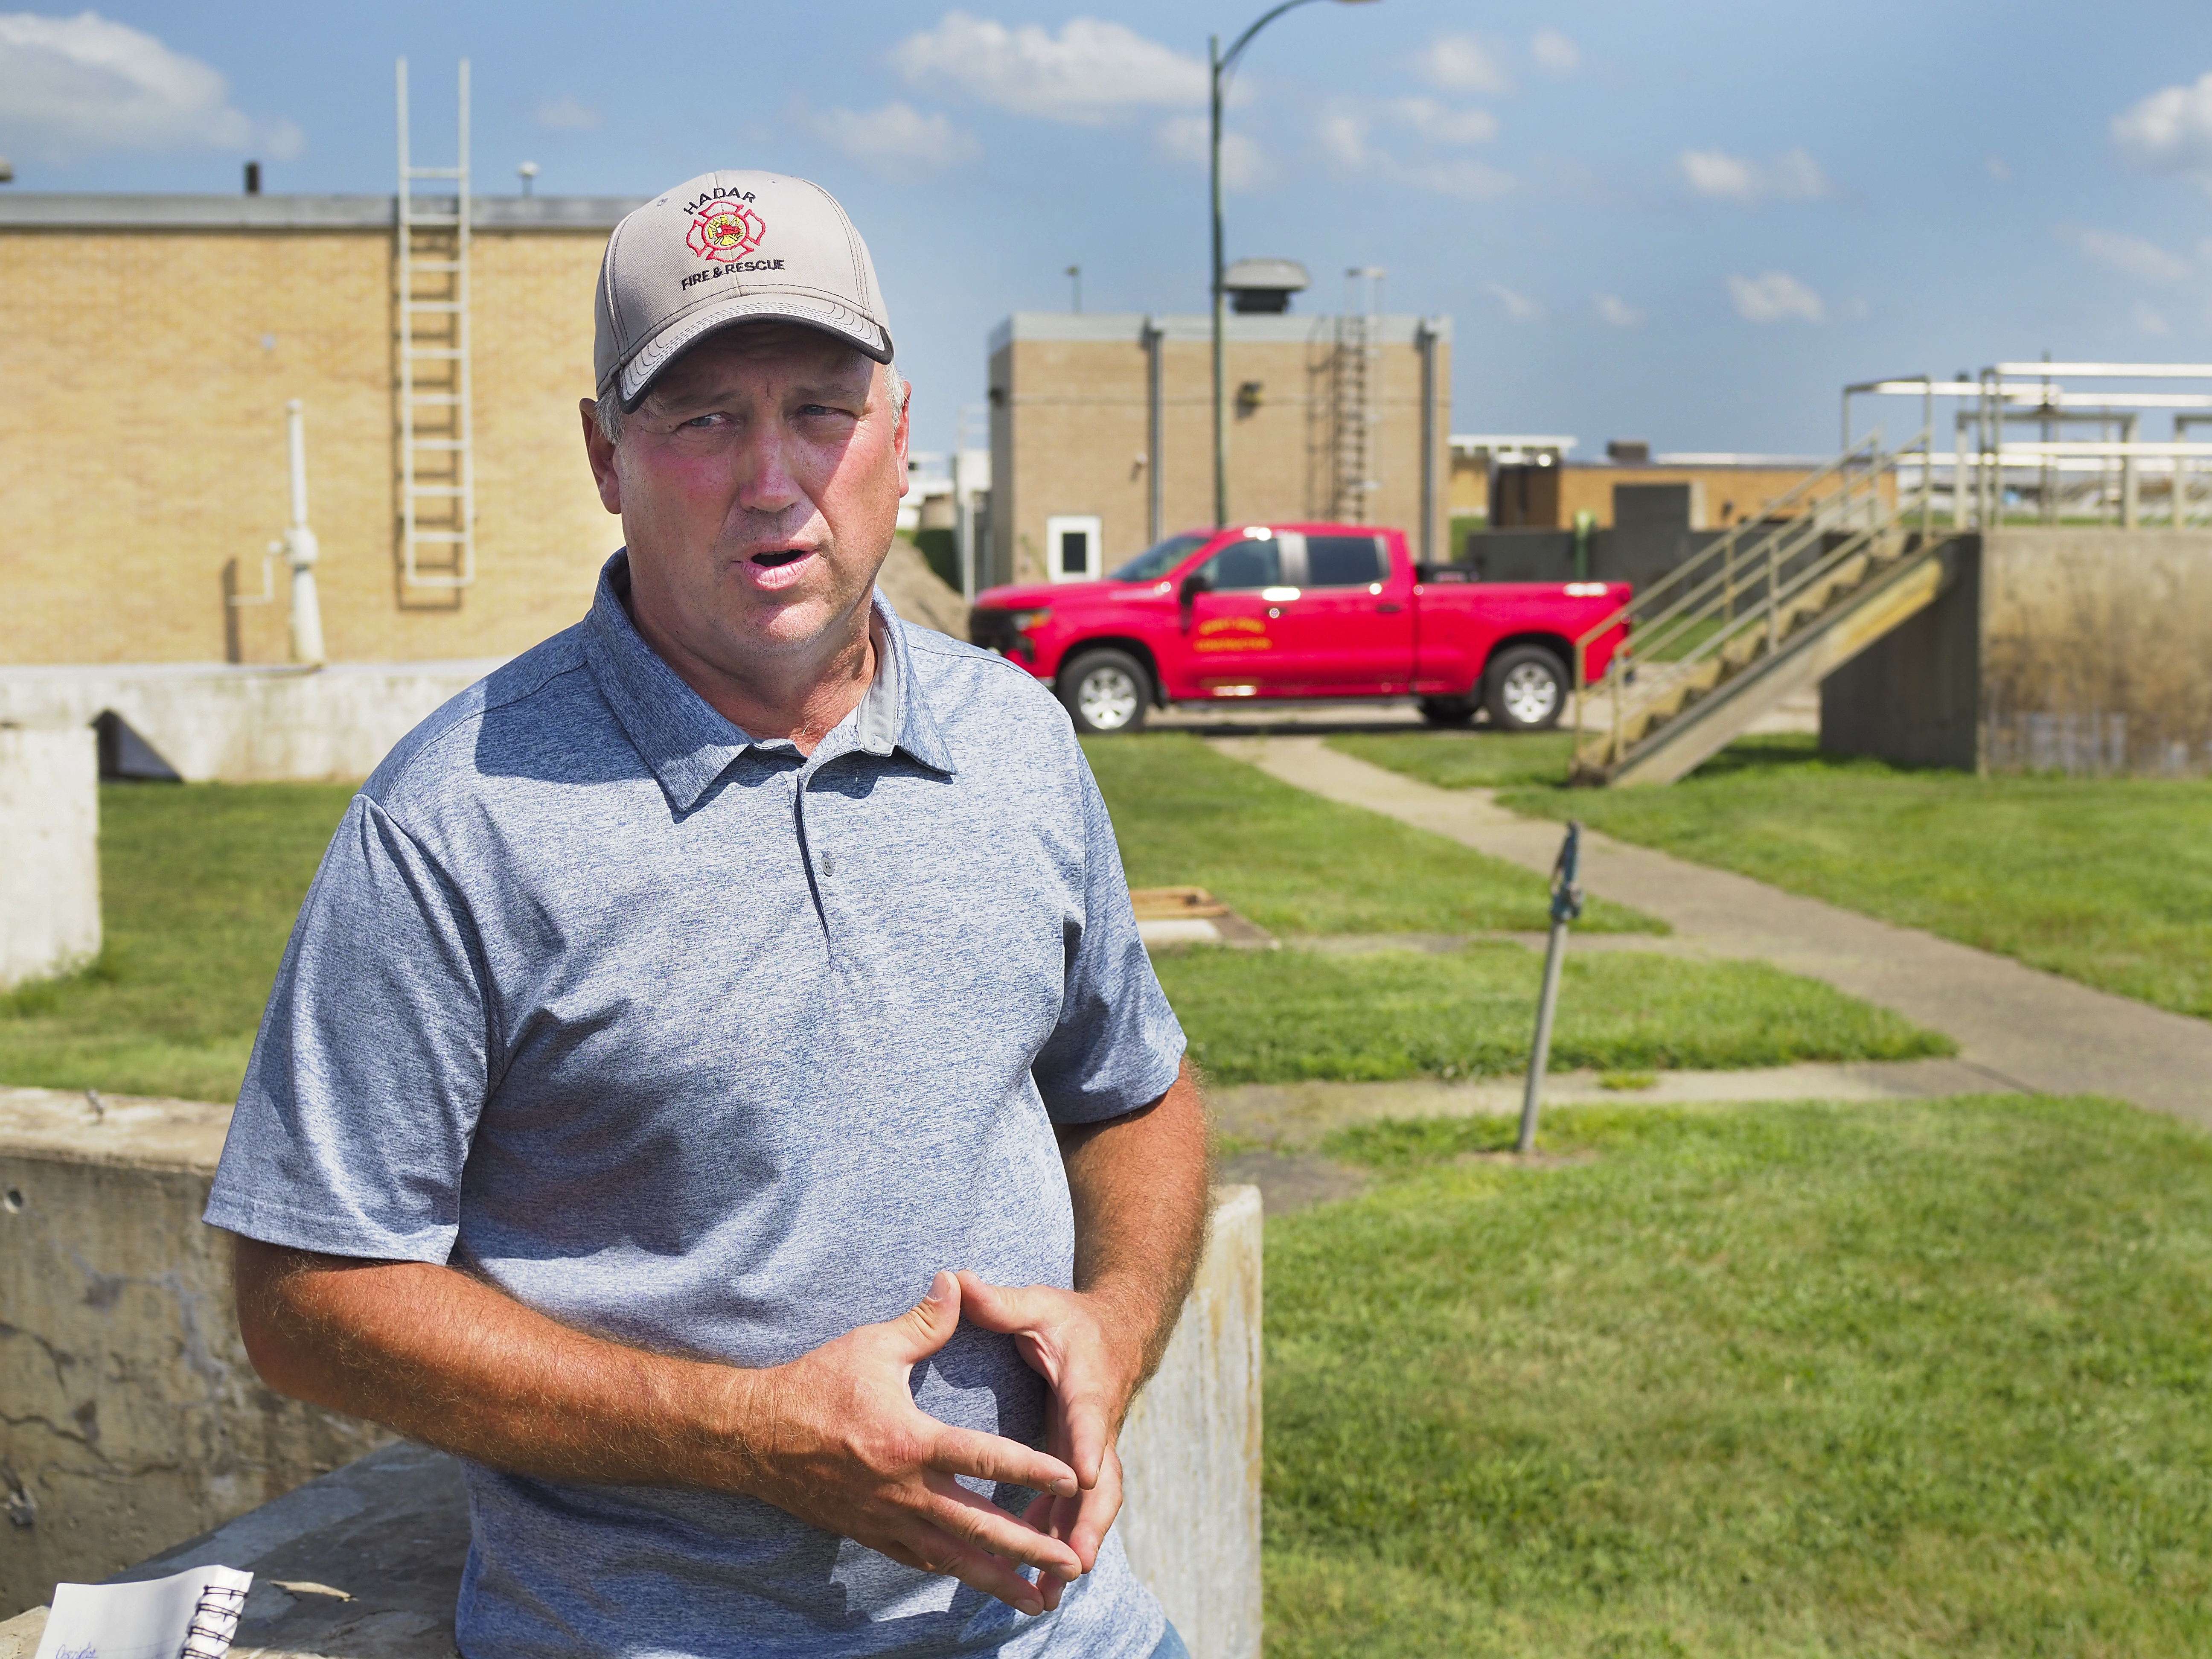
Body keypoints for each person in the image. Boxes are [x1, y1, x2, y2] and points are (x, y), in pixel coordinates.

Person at [208, 169, 1211, 1659]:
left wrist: (1117, 1329)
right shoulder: (456, 818)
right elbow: (306, 1292)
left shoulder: (1018, 743)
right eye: (701, 419)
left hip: (1058, 1628)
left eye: (820, 407)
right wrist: (750, 1433)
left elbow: (1135, 1093)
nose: (771, 477)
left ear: (900, 435)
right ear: (606, 459)